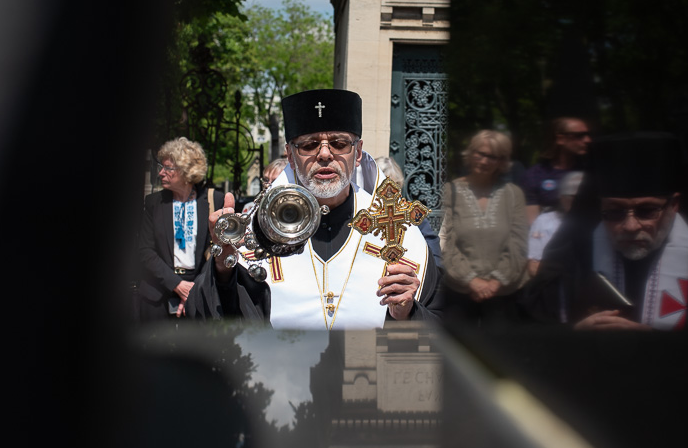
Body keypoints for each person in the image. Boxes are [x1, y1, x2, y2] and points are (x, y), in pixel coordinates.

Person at [188, 89, 443, 328]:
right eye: (309, 145)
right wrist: (222, 266)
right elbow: (211, 322)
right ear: (290, 155)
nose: (324, 154)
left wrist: (408, 313)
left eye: (339, 143)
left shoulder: (397, 230)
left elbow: (443, 330)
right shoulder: (256, 231)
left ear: (357, 153)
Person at [523, 133, 688, 329]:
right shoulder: (570, 261)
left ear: (673, 205)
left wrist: (652, 345)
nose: (631, 226)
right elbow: (534, 333)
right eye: (614, 212)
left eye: (646, 210)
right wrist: (575, 335)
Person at [439, 130, 529, 323]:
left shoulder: (513, 194)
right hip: (458, 292)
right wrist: (472, 280)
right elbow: (446, 243)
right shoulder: (449, 192)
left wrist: (495, 283)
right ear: (470, 154)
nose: (485, 161)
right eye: (480, 154)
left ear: (502, 161)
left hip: (503, 293)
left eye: (493, 157)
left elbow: (518, 244)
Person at [137, 137, 227, 321]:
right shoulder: (154, 203)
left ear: (187, 171)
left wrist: (194, 289)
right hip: (157, 295)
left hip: (200, 289)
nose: (161, 173)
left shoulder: (214, 200)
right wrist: (177, 285)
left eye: (168, 168)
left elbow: (220, 250)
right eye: (162, 168)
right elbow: (145, 250)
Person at [521, 117, 592, 224]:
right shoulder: (534, 175)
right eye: (579, 136)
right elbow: (534, 224)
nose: (587, 140)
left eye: (587, 135)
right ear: (561, 139)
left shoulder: (591, 171)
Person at [528, 171, 583, 277]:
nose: (580, 203)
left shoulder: (597, 225)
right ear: (562, 198)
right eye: (574, 198)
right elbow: (533, 266)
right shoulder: (544, 222)